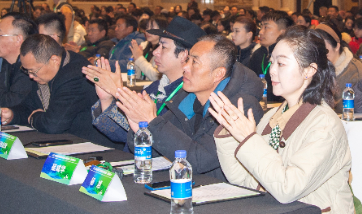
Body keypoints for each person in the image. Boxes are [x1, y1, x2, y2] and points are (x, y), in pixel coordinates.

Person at [209, 26, 354, 214]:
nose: (271, 71)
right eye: (272, 62)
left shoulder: (325, 125)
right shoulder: (274, 115)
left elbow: (288, 188)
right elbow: (244, 179)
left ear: (309, 71)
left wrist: (249, 139)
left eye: (281, 63)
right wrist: (231, 133)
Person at [107, 35, 264, 179]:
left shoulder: (240, 108)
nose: (185, 67)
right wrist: (141, 130)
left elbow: (199, 160)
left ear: (218, 74)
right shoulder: (186, 98)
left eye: (194, 62)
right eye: (187, 60)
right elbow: (160, 150)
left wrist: (152, 122)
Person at [88, 15, 204, 145]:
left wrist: (119, 92)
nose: (155, 52)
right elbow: (126, 133)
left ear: (183, 55)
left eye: (163, 47)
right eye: (158, 45)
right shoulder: (155, 87)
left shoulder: (191, 97)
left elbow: (166, 143)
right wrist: (106, 99)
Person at [0, 35, 111, 144]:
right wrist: (12, 114)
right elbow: (30, 106)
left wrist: (33, 118)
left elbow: (53, 124)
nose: (30, 76)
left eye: (33, 71)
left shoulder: (75, 75)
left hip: (95, 145)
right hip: (69, 140)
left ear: (54, 60)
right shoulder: (44, 74)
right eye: (26, 71)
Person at [314, 20, 362, 113]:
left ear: (337, 46)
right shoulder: (314, 68)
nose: (319, 53)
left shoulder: (354, 70)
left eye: (323, 48)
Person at [248, 11, 292, 102]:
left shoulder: (288, 57)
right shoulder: (258, 54)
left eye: (266, 27)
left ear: (282, 32)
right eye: (261, 27)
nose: (261, 32)